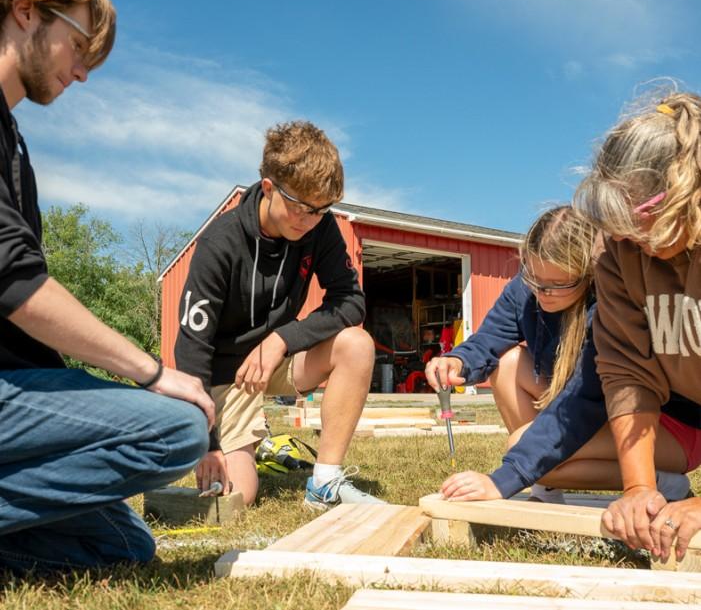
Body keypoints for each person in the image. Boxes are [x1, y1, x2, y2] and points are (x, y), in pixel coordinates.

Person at [0, 0, 213, 574]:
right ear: (24, 11)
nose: (85, 70)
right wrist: (149, 373)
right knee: (177, 428)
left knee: (123, 545)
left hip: (15, 383)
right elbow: (15, 285)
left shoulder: (13, 143)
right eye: (80, 44)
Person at [174, 120, 385, 511]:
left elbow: (350, 301)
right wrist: (207, 442)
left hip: (276, 361)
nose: (310, 220)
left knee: (357, 345)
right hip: (224, 377)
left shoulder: (319, 228)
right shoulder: (219, 244)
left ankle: (323, 483)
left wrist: (282, 339)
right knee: (238, 497)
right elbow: (191, 350)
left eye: (321, 210)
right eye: (300, 208)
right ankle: (242, 443)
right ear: (270, 188)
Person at [426, 206, 694, 506]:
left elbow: (584, 402)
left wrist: (506, 478)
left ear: (587, 275)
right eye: (534, 278)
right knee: (508, 363)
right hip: (596, 409)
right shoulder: (525, 288)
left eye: (557, 285)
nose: (542, 293)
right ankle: (547, 485)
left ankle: (663, 482)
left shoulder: (608, 303)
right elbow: (489, 339)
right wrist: (459, 361)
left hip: (661, 424)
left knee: (522, 446)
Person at [574, 91, 701, 563]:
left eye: (643, 228)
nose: (637, 246)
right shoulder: (618, 252)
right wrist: (638, 488)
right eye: (624, 233)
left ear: (687, 191)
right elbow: (628, 373)